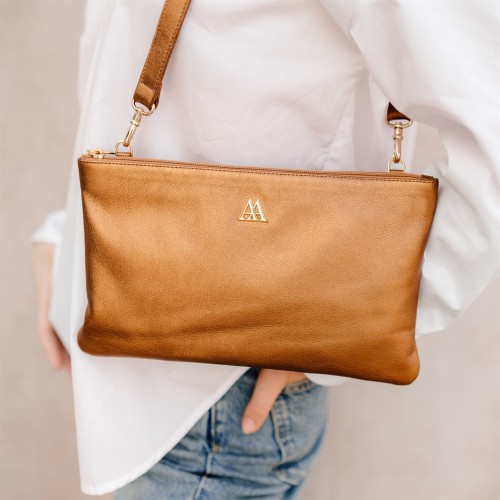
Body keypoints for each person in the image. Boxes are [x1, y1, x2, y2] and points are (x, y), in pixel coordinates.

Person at [30, 1, 499, 498]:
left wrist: (355, 326)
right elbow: (118, 62)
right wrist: (70, 235)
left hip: (213, 413)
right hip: (135, 387)